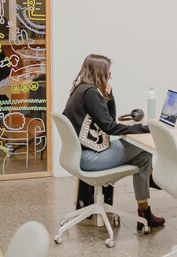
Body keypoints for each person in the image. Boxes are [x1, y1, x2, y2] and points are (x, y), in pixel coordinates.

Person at [63, 54, 164, 230]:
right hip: (91, 158)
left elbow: (107, 120)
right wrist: (144, 129)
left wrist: (108, 96)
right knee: (142, 144)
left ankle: (144, 210)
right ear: (100, 74)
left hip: (80, 155)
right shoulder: (91, 93)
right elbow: (111, 126)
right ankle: (149, 178)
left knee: (143, 158)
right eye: (108, 74)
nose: (110, 78)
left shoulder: (81, 89)